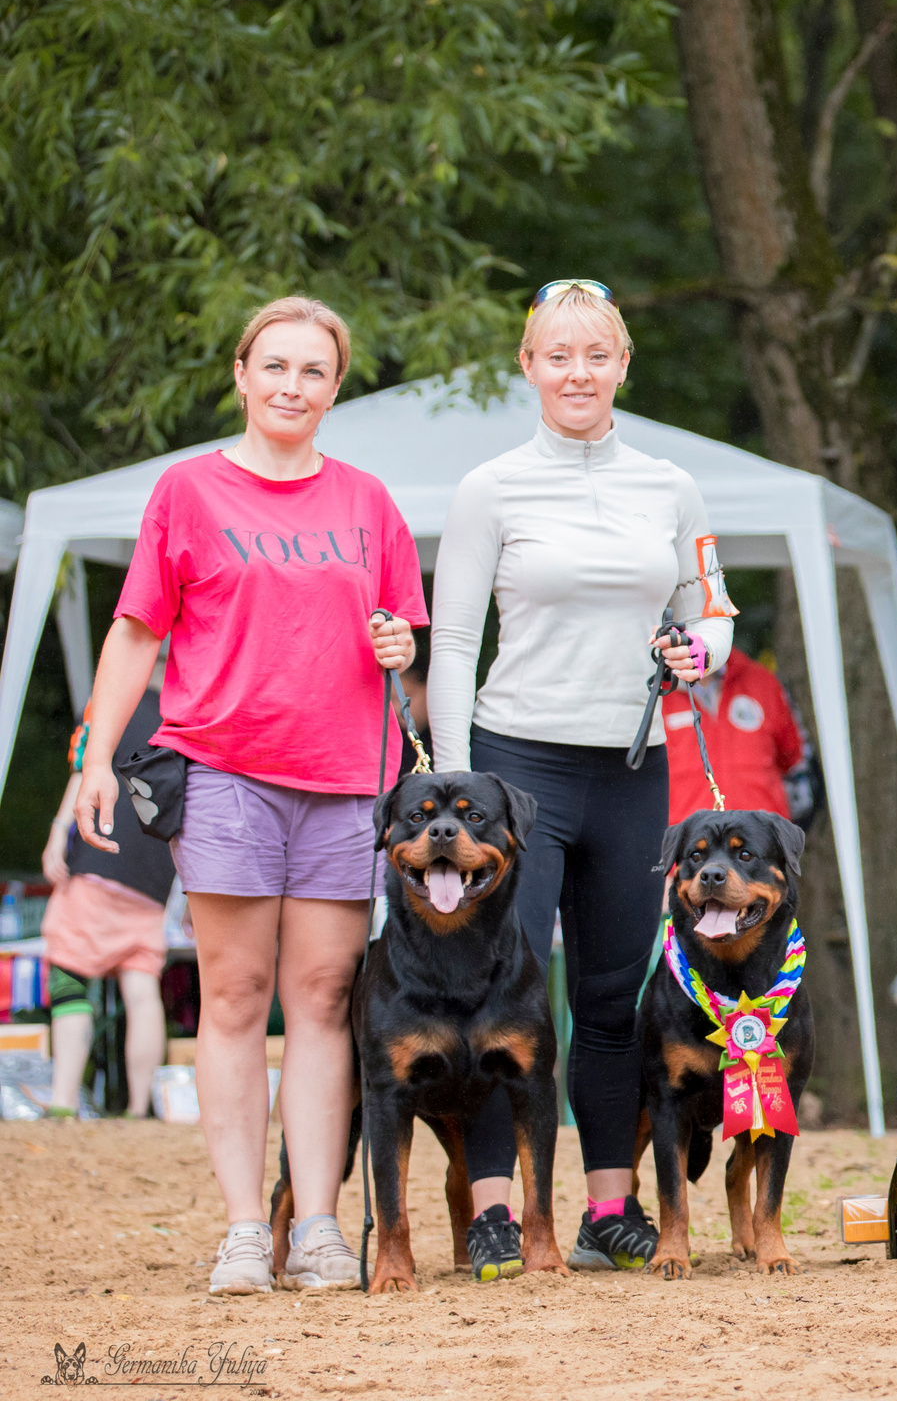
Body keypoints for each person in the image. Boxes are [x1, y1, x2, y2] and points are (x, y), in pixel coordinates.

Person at [70, 296, 425, 1294]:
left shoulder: (369, 501)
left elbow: (402, 633)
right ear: (241, 372)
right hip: (224, 769)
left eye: (313, 371)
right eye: (275, 366)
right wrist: (96, 752)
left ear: (334, 387)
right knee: (232, 996)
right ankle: (239, 1228)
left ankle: (313, 1226)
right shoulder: (189, 491)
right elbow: (138, 629)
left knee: (320, 998)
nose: (291, 386)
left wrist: (404, 644)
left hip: (349, 779)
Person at [429, 279, 734, 1278]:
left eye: (596, 354)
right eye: (557, 355)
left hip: (634, 765)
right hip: (517, 767)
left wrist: (703, 651)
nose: (577, 372)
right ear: (528, 366)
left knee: (610, 995)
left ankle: (611, 1204)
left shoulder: (671, 484)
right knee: (494, 998)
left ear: (623, 365)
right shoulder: (489, 487)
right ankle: (493, 1214)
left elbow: (713, 611)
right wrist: (458, 779)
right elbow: (455, 641)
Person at [34, 675, 179, 1118]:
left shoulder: (113, 700)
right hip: (157, 875)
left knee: (68, 968)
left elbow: (83, 768)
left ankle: (61, 1102)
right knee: (140, 986)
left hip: (99, 859)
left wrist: (60, 832)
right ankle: (139, 1109)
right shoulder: (185, 714)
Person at [659, 648, 807, 821]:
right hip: (690, 844)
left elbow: (792, 758)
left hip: (762, 842)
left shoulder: (762, 681)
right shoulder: (651, 695)